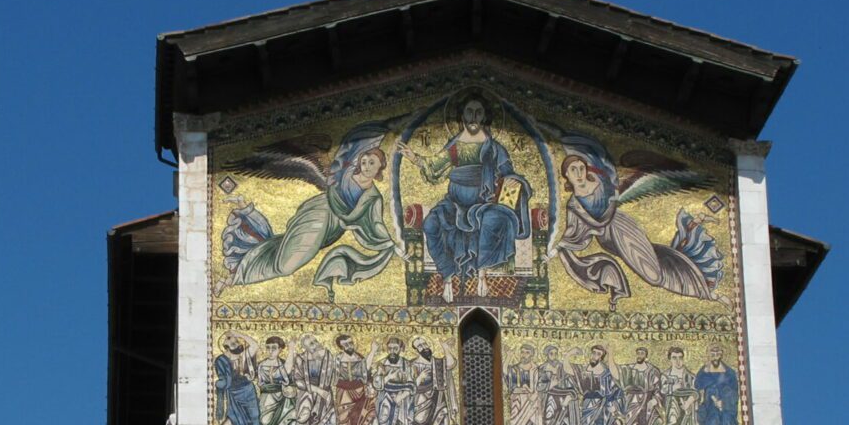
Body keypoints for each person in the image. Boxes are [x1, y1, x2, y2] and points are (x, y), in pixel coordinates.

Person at [221, 124, 398, 292]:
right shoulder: (342, 176)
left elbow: (376, 224)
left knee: (283, 249)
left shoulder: (373, 197)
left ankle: (247, 220)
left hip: (333, 230)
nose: (366, 166)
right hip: (319, 215)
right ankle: (237, 276)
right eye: (364, 161)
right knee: (286, 266)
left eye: (372, 163)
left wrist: (390, 244)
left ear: (380, 168)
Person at [553, 147, 720, 304]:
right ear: (566, 174)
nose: (579, 173)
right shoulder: (574, 205)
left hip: (623, 229)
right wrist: (557, 249)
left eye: (581, 168)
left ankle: (699, 290)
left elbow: (633, 183)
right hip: (608, 241)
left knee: (653, 276)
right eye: (573, 170)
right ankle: (698, 287)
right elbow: (573, 233)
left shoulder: (602, 185)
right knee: (654, 264)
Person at [403, 95, 530, 300]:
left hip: (484, 204)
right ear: (461, 116)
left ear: (485, 117)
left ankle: (482, 274)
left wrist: (515, 182)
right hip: (454, 203)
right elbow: (435, 166)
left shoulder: (494, 148)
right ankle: (447, 277)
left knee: (494, 221)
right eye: (469, 112)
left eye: (478, 112)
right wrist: (415, 158)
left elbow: (508, 173)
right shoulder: (455, 146)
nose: (473, 117)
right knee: (430, 225)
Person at [370, 339, 419, 425]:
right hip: (384, 398)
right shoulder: (381, 364)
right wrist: (387, 377)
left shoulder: (407, 365)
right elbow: (376, 383)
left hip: (403, 400)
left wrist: (401, 396)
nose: (392, 351)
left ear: (401, 349)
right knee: (382, 423)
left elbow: (412, 384)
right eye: (390, 348)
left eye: (395, 348)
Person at [214, 333, 264, 425]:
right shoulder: (221, 360)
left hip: (248, 392)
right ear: (226, 347)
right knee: (231, 421)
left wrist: (238, 334)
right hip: (234, 395)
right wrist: (220, 384)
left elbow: (255, 345)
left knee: (254, 419)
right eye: (233, 344)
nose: (237, 344)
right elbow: (223, 380)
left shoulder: (243, 356)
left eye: (237, 342)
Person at [288, 335, 335, 425]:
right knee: (303, 420)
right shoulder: (301, 359)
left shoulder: (327, 357)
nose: (315, 344)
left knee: (315, 422)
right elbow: (298, 381)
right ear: (305, 348)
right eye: (311, 343)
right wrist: (318, 391)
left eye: (315, 341)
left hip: (324, 394)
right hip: (307, 393)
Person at [694, 345, 741, 425]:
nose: (715, 357)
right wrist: (705, 370)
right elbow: (698, 385)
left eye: (717, 354)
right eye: (712, 354)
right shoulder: (705, 371)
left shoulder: (729, 373)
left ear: (721, 355)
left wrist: (724, 403)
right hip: (710, 407)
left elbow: (734, 392)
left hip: (725, 409)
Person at [619, 347, 666, 425]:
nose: (640, 355)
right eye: (638, 353)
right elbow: (620, 380)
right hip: (632, 403)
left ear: (646, 356)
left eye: (642, 353)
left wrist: (655, 400)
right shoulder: (630, 369)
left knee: (656, 423)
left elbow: (658, 389)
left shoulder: (653, 371)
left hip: (648, 403)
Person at [330, 333, 373, 425]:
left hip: (360, 391)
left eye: (350, 342)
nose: (349, 346)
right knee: (344, 421)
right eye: (345, 344)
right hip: (344, 392)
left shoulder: (359, 357)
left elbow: (366, 372)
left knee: (359, 418)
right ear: (341, 347)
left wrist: (373, 351)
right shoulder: (337, 359)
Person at [658, 345, 700, 425]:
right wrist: (674, 388)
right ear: (669, 359)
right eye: (674, 358)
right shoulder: (665, 375)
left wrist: (688, 402)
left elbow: (696, 392)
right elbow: (663, 390)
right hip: (673, 407)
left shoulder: (690, 376)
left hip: (689, 409)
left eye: (680, 358)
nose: (678, 361)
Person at [410, 338, 455, 425]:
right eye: (419, 346)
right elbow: (409, 385)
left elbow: (451, 364)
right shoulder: (413, 364)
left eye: (424, 343)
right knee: (419, 423)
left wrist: (445, 347)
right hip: (420, 400)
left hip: (438, 398)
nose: (423, 347)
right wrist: (420, 377)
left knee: (443, 420)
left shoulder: (437, 362)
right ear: (416, 350)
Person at [505, 343, 541, 425]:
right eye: (522, 352)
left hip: (531, 404)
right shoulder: (514, 369)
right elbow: (507, 378)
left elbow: (540, 387)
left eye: (526, 352)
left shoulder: (536, 370)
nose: (523, 355)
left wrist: (533, 394)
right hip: (517, 404)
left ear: (532, 354)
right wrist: (508, 356)